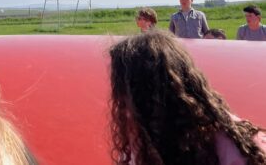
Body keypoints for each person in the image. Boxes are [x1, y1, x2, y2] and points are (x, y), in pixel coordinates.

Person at [109, 30, 266, 164]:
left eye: (122, 88)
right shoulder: (143, 139)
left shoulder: (235, 145)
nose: (120, 98)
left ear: (142, 93)